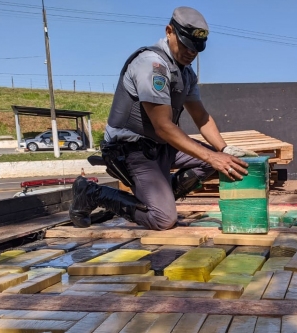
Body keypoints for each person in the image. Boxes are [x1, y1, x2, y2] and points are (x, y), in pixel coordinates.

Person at [70, 6, 257, 230]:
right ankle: (91, 193)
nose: (191, 53)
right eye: (186, 45)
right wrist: (212, 156)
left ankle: (159, 194)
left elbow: (202, 117)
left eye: (196, 50)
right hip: (131, 149)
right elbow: (163, 126)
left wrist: (225, 151)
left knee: (220, 163)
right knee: (163, 219)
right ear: (169, 31)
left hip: (161, 147)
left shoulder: (185, 73)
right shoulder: (152, 66)